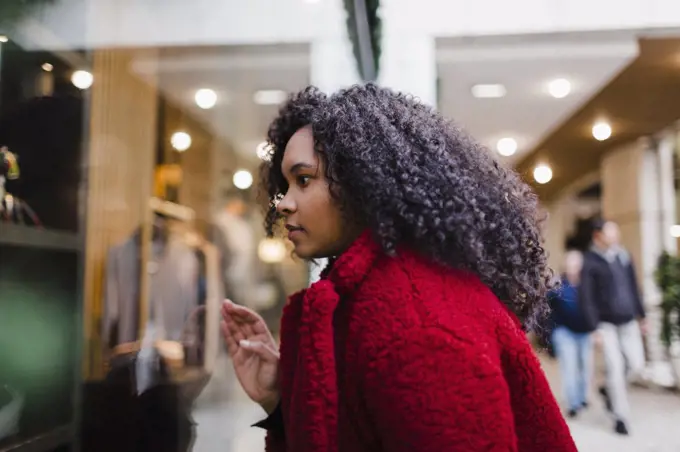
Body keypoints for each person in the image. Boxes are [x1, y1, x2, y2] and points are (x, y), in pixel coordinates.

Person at [221, 84, 577, 451]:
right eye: (285, 185)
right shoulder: (372, 296)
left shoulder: (416, 320)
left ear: (362, 178)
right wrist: (280, 400)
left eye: (305, 179)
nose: (284, 203)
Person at [580, 219, 646, 435]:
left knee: (636, 366)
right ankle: (621, 417)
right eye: (611, 232)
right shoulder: (590, 262)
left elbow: (633, 287)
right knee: (615, 369)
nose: (616, 236)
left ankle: (608, 390)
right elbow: (586, 298)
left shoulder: (623, 256)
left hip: (628, 321)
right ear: (598, 236)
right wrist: (594, 328)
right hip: (605, 325)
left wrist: (642, 316)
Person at [549, 250, 597, 418]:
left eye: (576, 264)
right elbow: (546, 308)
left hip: (585, 332)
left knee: (585, 367)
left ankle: (582, 397)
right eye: (570, 263)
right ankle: (572, 404)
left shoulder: (588, 285)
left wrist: (596, 329)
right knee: (569, 367)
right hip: (564, 332)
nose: (573, 267)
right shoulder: (558, 285)